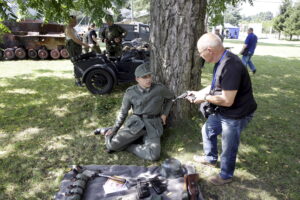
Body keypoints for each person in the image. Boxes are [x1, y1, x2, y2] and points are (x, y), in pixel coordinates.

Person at [188, 33, 257, 185]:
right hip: (224, 110)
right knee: (207, 130)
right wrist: (199, 92)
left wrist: (203, 98)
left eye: (201, 53)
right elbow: (216, 85)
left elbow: (227, 100)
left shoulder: (231, 66)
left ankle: (226, 175)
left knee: (228, 146)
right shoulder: (221, 60)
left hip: (237, 113)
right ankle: (210, 158)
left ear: (209, 50)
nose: (201, 56)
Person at [99, 62, 174, 161]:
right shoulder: (130, 93)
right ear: (137, 79)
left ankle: (129, 146)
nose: (148, 79)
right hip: (137, 124)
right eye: (144, 77)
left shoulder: (159, 89)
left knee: (153, 156)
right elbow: (123, 112)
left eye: (149, 76)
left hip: (153, 125)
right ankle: (108, 131)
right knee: (112, 146)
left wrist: (164, 114)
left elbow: (170, 98)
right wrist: (114, 129)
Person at [65, 15, 90, 86]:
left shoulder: (73, 29)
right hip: (73, 49)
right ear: (70, 21)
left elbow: (78, 37)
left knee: (80, 63)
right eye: (75, 21)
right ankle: (77, 81)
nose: (76, 23)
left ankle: (80, 79)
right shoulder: (68, 29)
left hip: (77, 48)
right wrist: (85, 45)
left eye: (76, 21)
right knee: (76, 63)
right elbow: (75, 40)